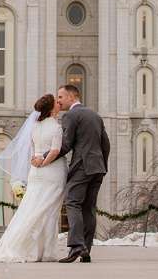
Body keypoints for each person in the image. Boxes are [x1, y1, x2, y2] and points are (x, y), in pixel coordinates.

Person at [0, 93, 67, 263]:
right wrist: (45, 162)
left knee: (31, 209)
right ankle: (48, 252)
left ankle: (32, 249)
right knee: (51, 212)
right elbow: (54, 151)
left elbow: (33, 151)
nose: (59, 103)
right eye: (56, 102)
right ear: (52, 108)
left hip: (36, 173)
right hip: (52, 172)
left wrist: (37, 162)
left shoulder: (35, 127)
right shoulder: (56, 128)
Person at [44, 83, 110, 262]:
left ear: (71, 97)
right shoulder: (95, 115)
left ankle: (75, 246)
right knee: (89, 209)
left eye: (60, 97)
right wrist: (102, 165)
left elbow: (65, 145)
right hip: (97, 169)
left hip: (82, 167)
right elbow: (106, 144)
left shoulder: (71, 115)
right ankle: (85, 251)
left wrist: (44, 157)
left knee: (73, 203)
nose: (58, 100)